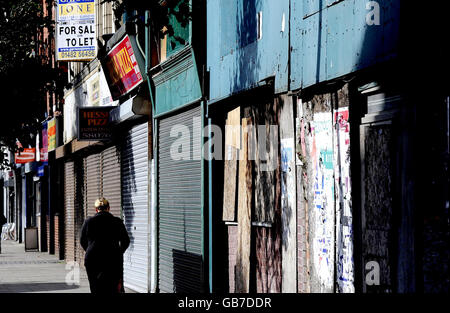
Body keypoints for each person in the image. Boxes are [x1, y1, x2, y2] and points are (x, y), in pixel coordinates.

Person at [80, 197, 130, 294]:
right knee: (112, 286)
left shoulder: (88, 221)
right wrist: (119, 252)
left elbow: (82, 241)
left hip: (92, 259)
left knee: (95, 286)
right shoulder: (117, 221)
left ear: (96, 209)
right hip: (112, 259)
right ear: (108, 208)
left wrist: (90, 249)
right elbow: (126, 241)